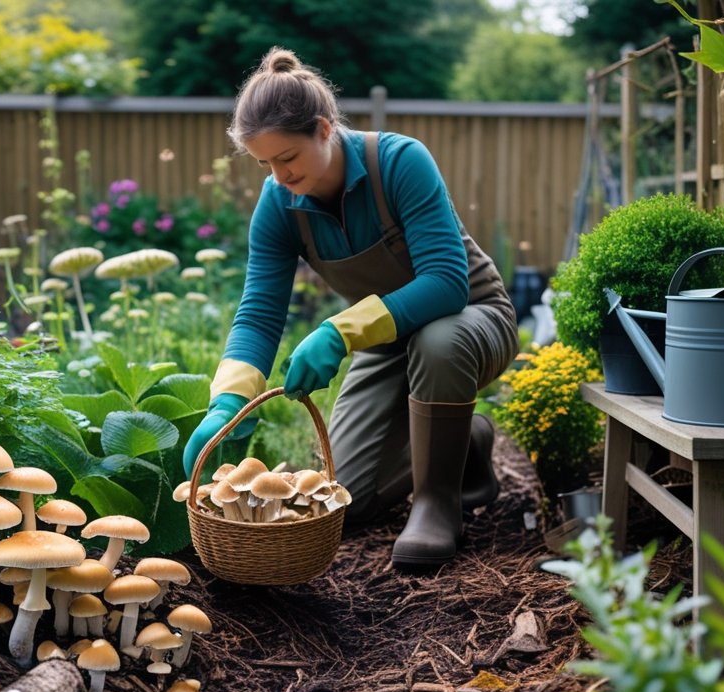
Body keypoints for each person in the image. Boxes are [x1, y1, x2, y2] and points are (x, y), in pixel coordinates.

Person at [182, 47, 518, 569]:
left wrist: (338, 333)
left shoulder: (399, 163)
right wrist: (226, 401)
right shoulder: (279, 205)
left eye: (287, 158)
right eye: (265, 164)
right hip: (388, 343)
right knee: (347, 497)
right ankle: (465, 441)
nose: (278, 176)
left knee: (438, 340)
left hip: (474, 321)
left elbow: (446, 284)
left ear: (323, 128)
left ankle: (437, 505)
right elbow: (258, 314)